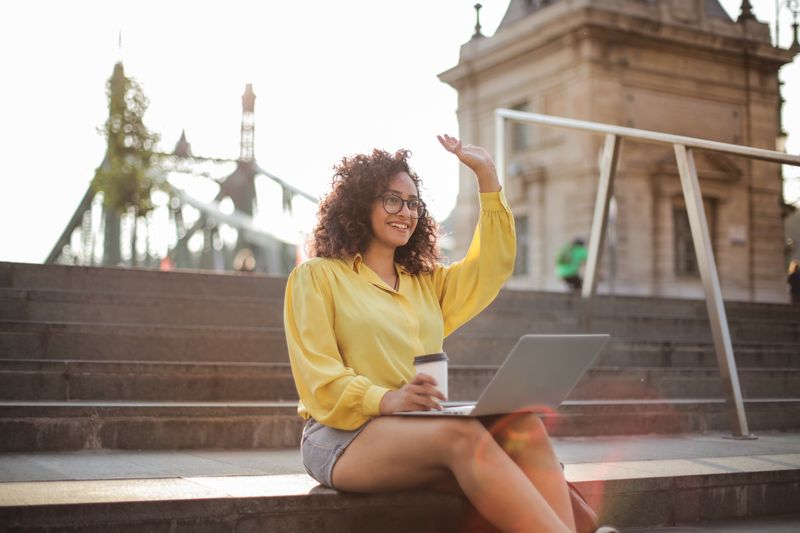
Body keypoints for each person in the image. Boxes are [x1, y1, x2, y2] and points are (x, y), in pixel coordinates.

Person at [284, 134, 608, 533]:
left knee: (524, 425)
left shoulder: (425, 283)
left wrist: (487, 176)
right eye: (391, 199)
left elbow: (490, 267)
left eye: (412, 203)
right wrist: (386, 399)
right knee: (463, 436)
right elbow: (318, 377)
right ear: (359, 204)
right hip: (341, 436)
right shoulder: (316, 276)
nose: (405, 211)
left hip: (418, 427)